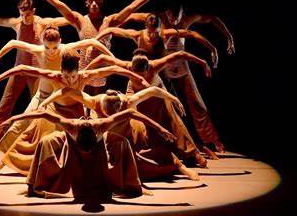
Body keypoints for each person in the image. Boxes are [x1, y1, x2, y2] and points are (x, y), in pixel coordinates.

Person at [0, 52, 149, 175]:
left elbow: (112, 68)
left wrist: (136, 76)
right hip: (54, 110)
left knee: (77, 143)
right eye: (66, 76)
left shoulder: (84, 76)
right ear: (61, 71)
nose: (69, 81)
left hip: (75, 113)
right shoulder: (53, 76)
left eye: (73, 77)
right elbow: (22, 68)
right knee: (27, 136)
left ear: (78, 71)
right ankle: (1, 165)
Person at [17, 0, 174, 95]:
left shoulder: (110, 21)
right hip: (82, 74)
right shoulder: (80, 20)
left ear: (101, 3)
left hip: (101, 75)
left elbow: (131, 7)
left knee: (99, 111)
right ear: (86, 3)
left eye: (97, 1)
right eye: (91, 1)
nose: (94, 4)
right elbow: (58, 4)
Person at [0, 0, 69, 150]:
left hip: (37, 72)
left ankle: (37, 139)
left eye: (28, 14)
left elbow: (68, 19)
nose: (25, 18)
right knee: (5, 104)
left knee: (39, 107)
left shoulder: (42, 23)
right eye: (22, 14)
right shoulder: (16, 23)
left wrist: (84, 19)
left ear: (33, 11)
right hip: (19, 69)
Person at [0, 109, 177, 199]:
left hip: (99, 144)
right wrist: (12, 118)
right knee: (45, 141)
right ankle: (33, 186)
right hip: (69, 142)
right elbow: (42, 112)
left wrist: (160, 128)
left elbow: (130, 112)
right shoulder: (71, 126)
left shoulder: (101, 126)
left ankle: (134, 185)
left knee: (124, 142)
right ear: (77, 133)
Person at [125, 6, 235, 153]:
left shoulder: (187, 20)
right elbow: (130, 16)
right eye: (171, 16)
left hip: (181, 66)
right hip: (162, 70)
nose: (174, 20)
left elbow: (208, 21)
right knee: (172, 108)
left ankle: (212, 141)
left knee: (197, 105)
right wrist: (107, 25)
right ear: (166, 12)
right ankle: (180, 144)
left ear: (182, 12)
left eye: (177, 16)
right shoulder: (155, 19)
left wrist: (227, 38)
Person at [38, 87, 201, 179]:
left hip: (129, 134)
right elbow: (66, 91)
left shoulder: (128, 101)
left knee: (140, 161)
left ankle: (178, 166)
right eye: (107, 114)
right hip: (108, 137)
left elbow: (153, 90)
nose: (110, 117)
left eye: (113, 114)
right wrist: (44, 102)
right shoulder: (94, 101)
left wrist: (174, 100)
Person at [85, 49, 213, 166]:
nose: (140, 78)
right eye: (137, 75)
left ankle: (192, 153)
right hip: (135, 92)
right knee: (133, 120)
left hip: (158, 92)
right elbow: (102, 57)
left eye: (143, 75)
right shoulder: (126, 66)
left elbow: (181, 54)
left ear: (148, 68)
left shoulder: (156, 65)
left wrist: (203, 62)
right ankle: (143, 153)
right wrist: (84, 72)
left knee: (172, 117)